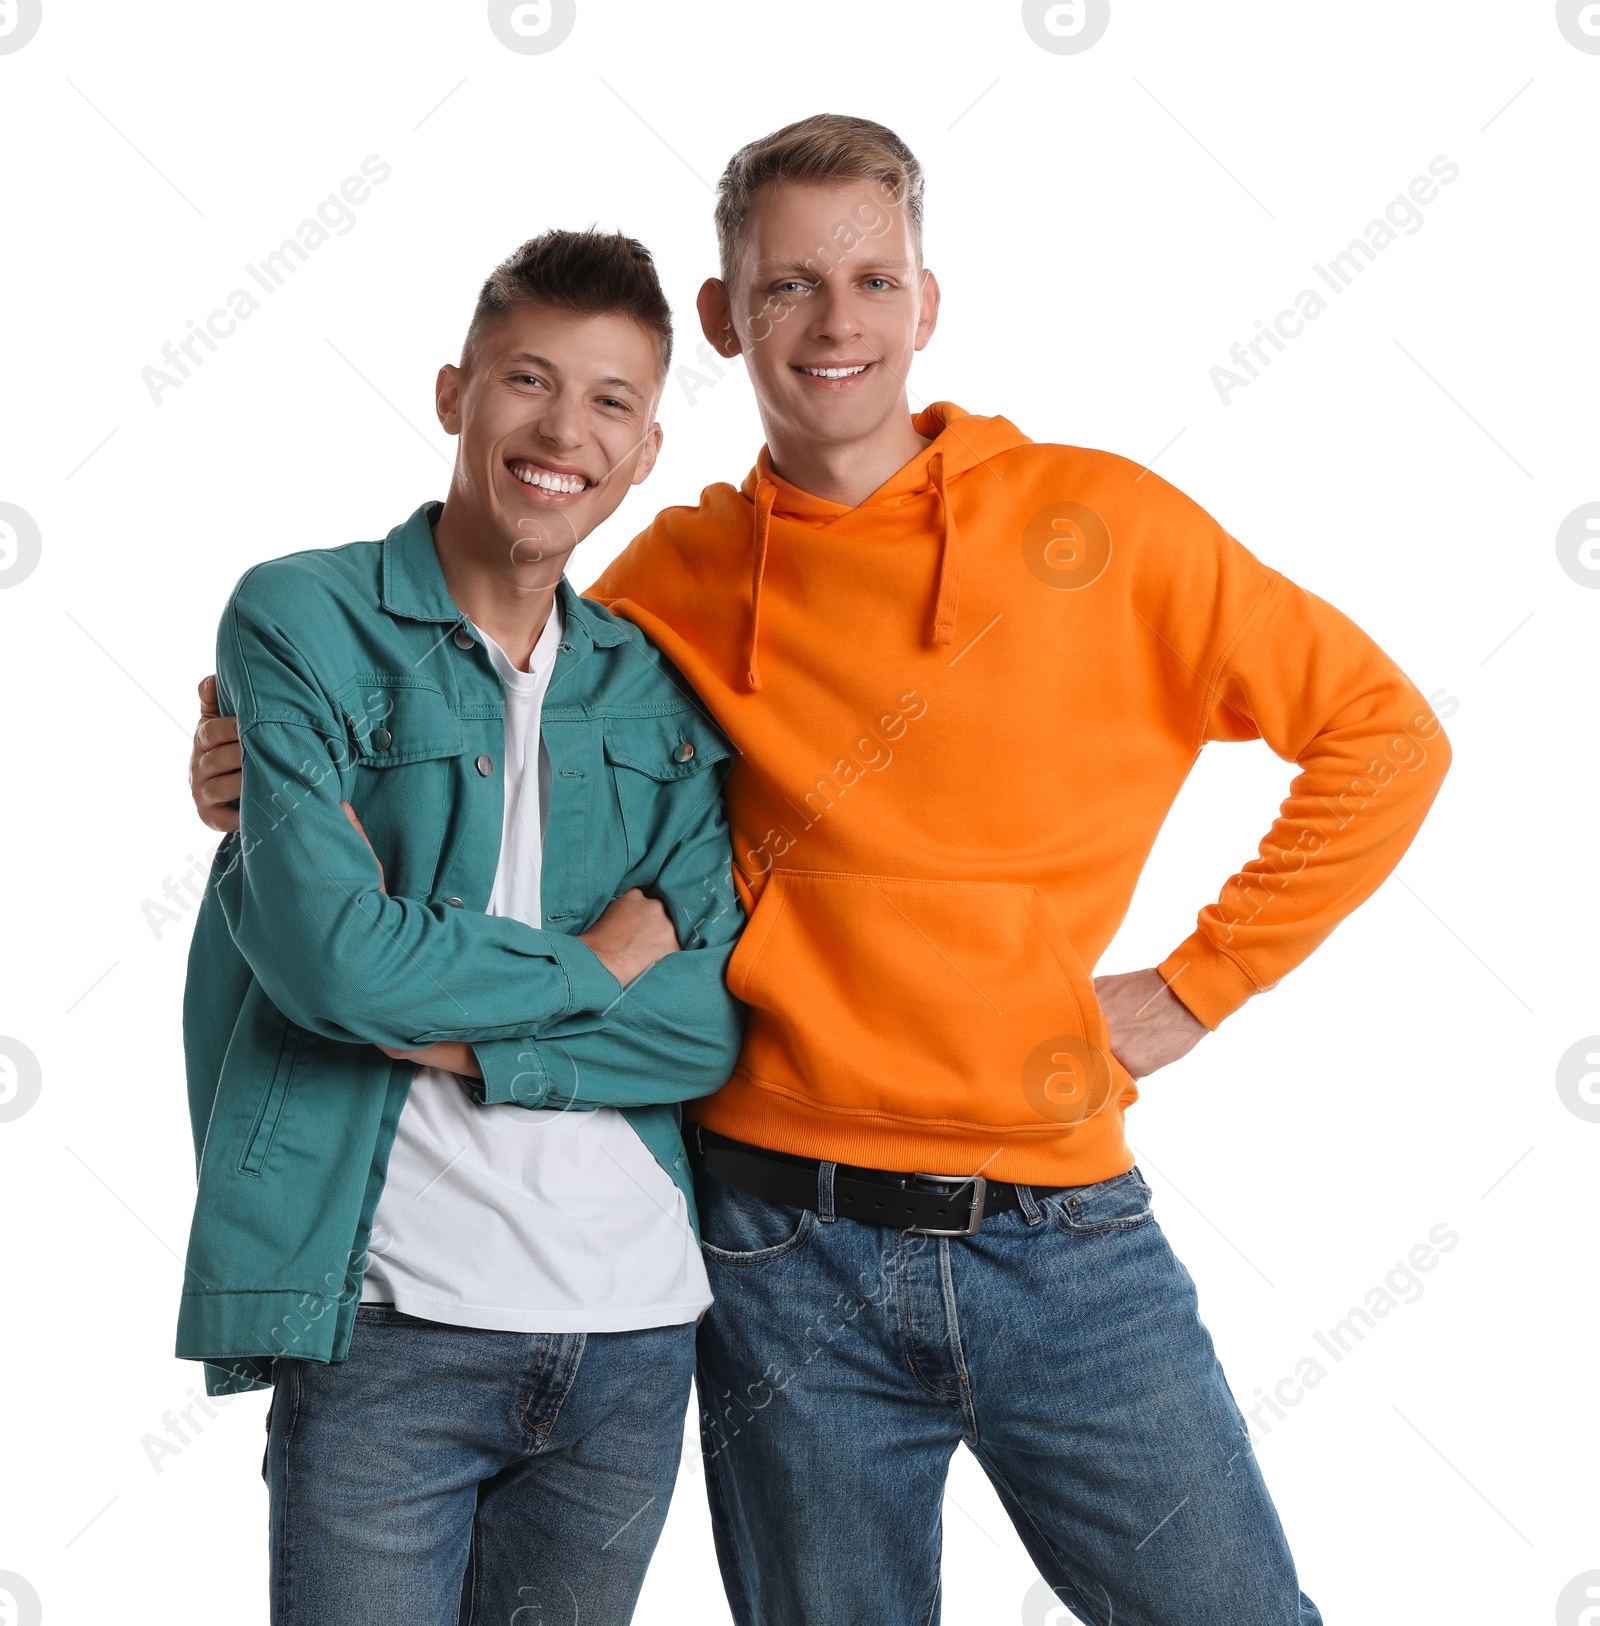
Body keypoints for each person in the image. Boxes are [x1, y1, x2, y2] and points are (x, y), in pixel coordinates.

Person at [192, 116, 1452, 1626]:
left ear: (927, 304)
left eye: (871, 278)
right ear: (726, 321)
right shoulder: (671, 579)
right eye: (789, 286)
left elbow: (1384, 736)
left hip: (1065, 1233)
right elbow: (483, 698)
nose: (835, 321)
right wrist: (252, 773)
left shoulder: (1100, 527)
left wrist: (1198, 985)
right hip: (775, 1249)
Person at [178, 228, 744, 1626]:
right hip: (389, 1328)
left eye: (611, 401)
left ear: (649, 447)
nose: (564, 431)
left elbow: (713, 1020)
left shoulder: (659, 691)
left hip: (632, 1335)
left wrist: (453, 1030)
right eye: (528, 383)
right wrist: (599, 962)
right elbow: (323, 956)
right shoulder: (304, 616)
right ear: (454, 394)